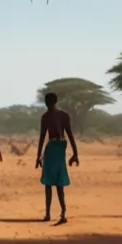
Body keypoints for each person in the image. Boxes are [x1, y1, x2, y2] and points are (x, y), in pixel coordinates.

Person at [35, 92, 80, 224]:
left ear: (46, 102)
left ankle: (53, 213)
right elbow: (69, 135)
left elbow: (42, 137)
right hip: (59, 146)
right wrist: (75, 153)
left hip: (55, 147)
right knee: (56, 183)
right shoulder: (61, 115)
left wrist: (38, 156)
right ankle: (60, 213)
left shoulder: (48, 117)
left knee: (51, 183)